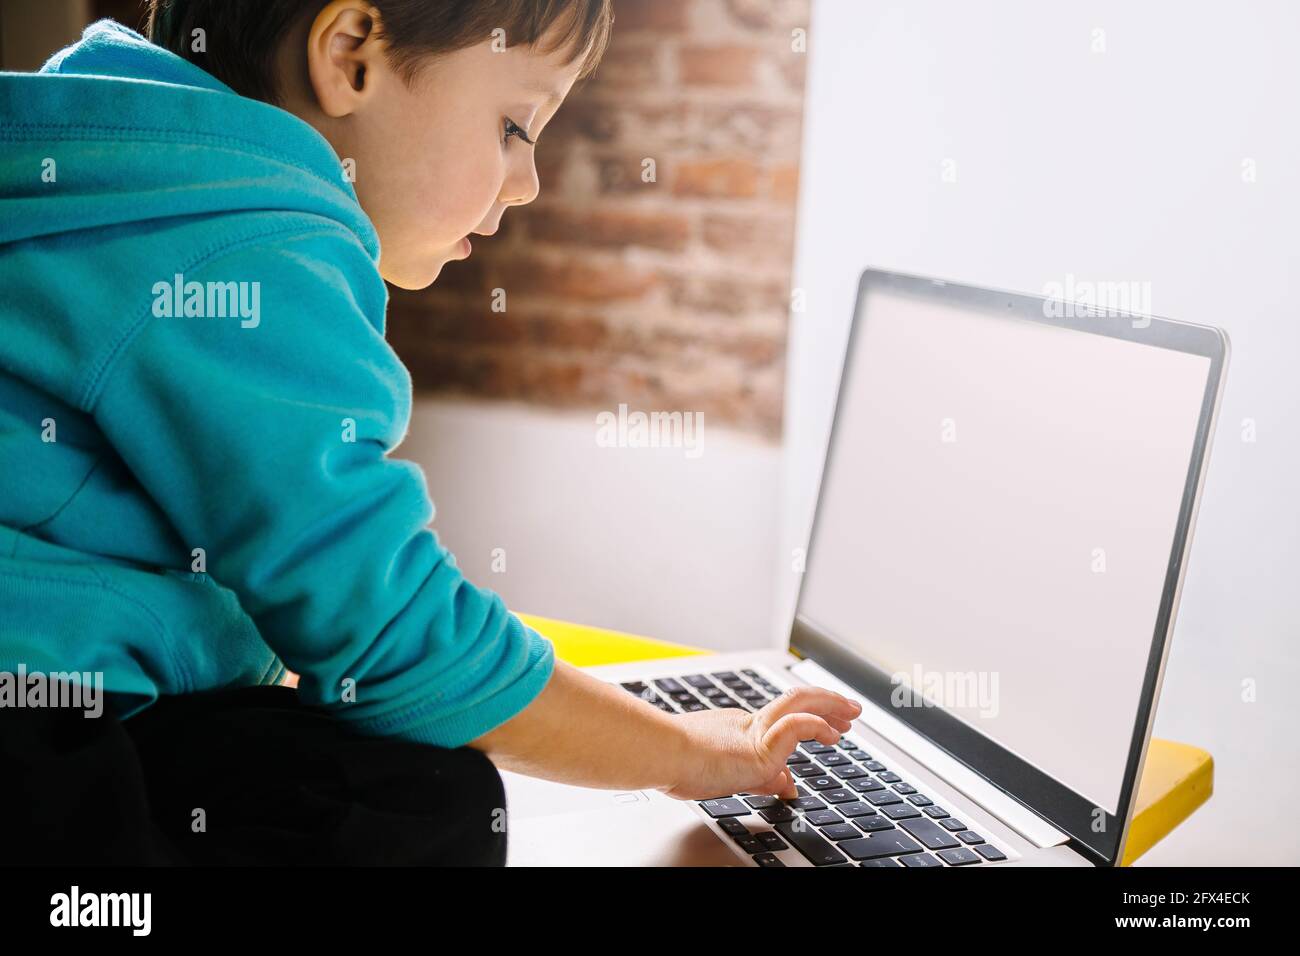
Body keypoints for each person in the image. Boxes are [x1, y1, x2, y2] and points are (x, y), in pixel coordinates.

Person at [0, 0, 859, 865]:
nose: (527, 181)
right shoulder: (245, 247)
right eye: (516, 126)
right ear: (350, 56)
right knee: (428, 806)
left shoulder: (110, 164)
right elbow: (394, 638)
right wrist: (691, 754)